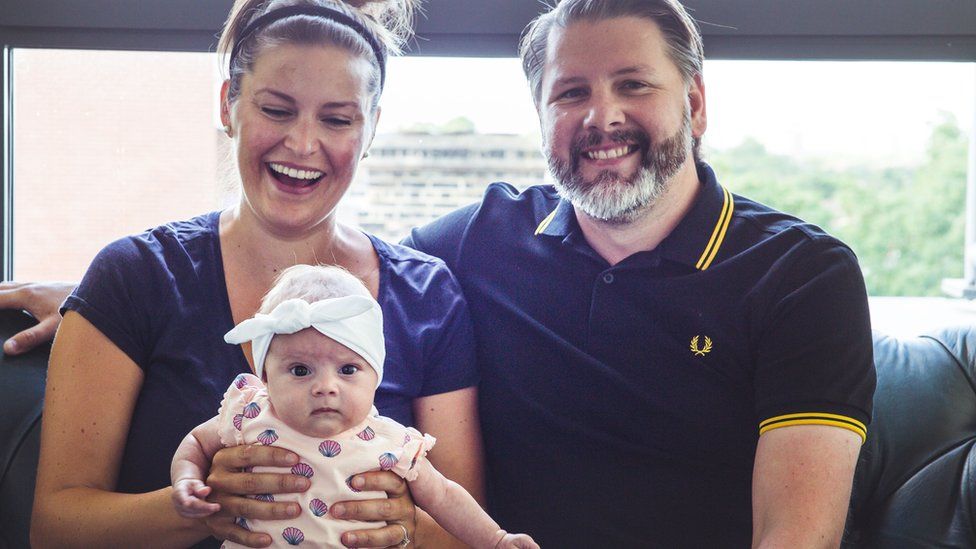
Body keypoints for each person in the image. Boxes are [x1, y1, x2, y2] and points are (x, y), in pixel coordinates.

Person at [12, 0, 876, 546]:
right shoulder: (485, 244)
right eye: (570, 92)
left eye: (632, 86)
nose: (601, 116)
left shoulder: (802, 276)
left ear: (693, 102)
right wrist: (93, 293)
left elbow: (795, 535)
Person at [28, 1, 488, 548]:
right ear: (229, 105)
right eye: (276, 110)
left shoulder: (427, 295)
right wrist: (200, 510)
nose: (301, 144)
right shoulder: (134, 277)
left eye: (337, 119)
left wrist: (406, 526)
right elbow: (55, 529)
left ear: (371, 130)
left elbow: (467, 530)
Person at [171, 264, 538, 549]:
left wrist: (495, 539)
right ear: (265, 376)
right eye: (300, 370)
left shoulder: (390, 442)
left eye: (348, 369)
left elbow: (443, 495)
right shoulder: (250, 413)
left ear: (375, 376)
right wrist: (186, 480)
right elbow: (198, 443)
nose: (325, 387)